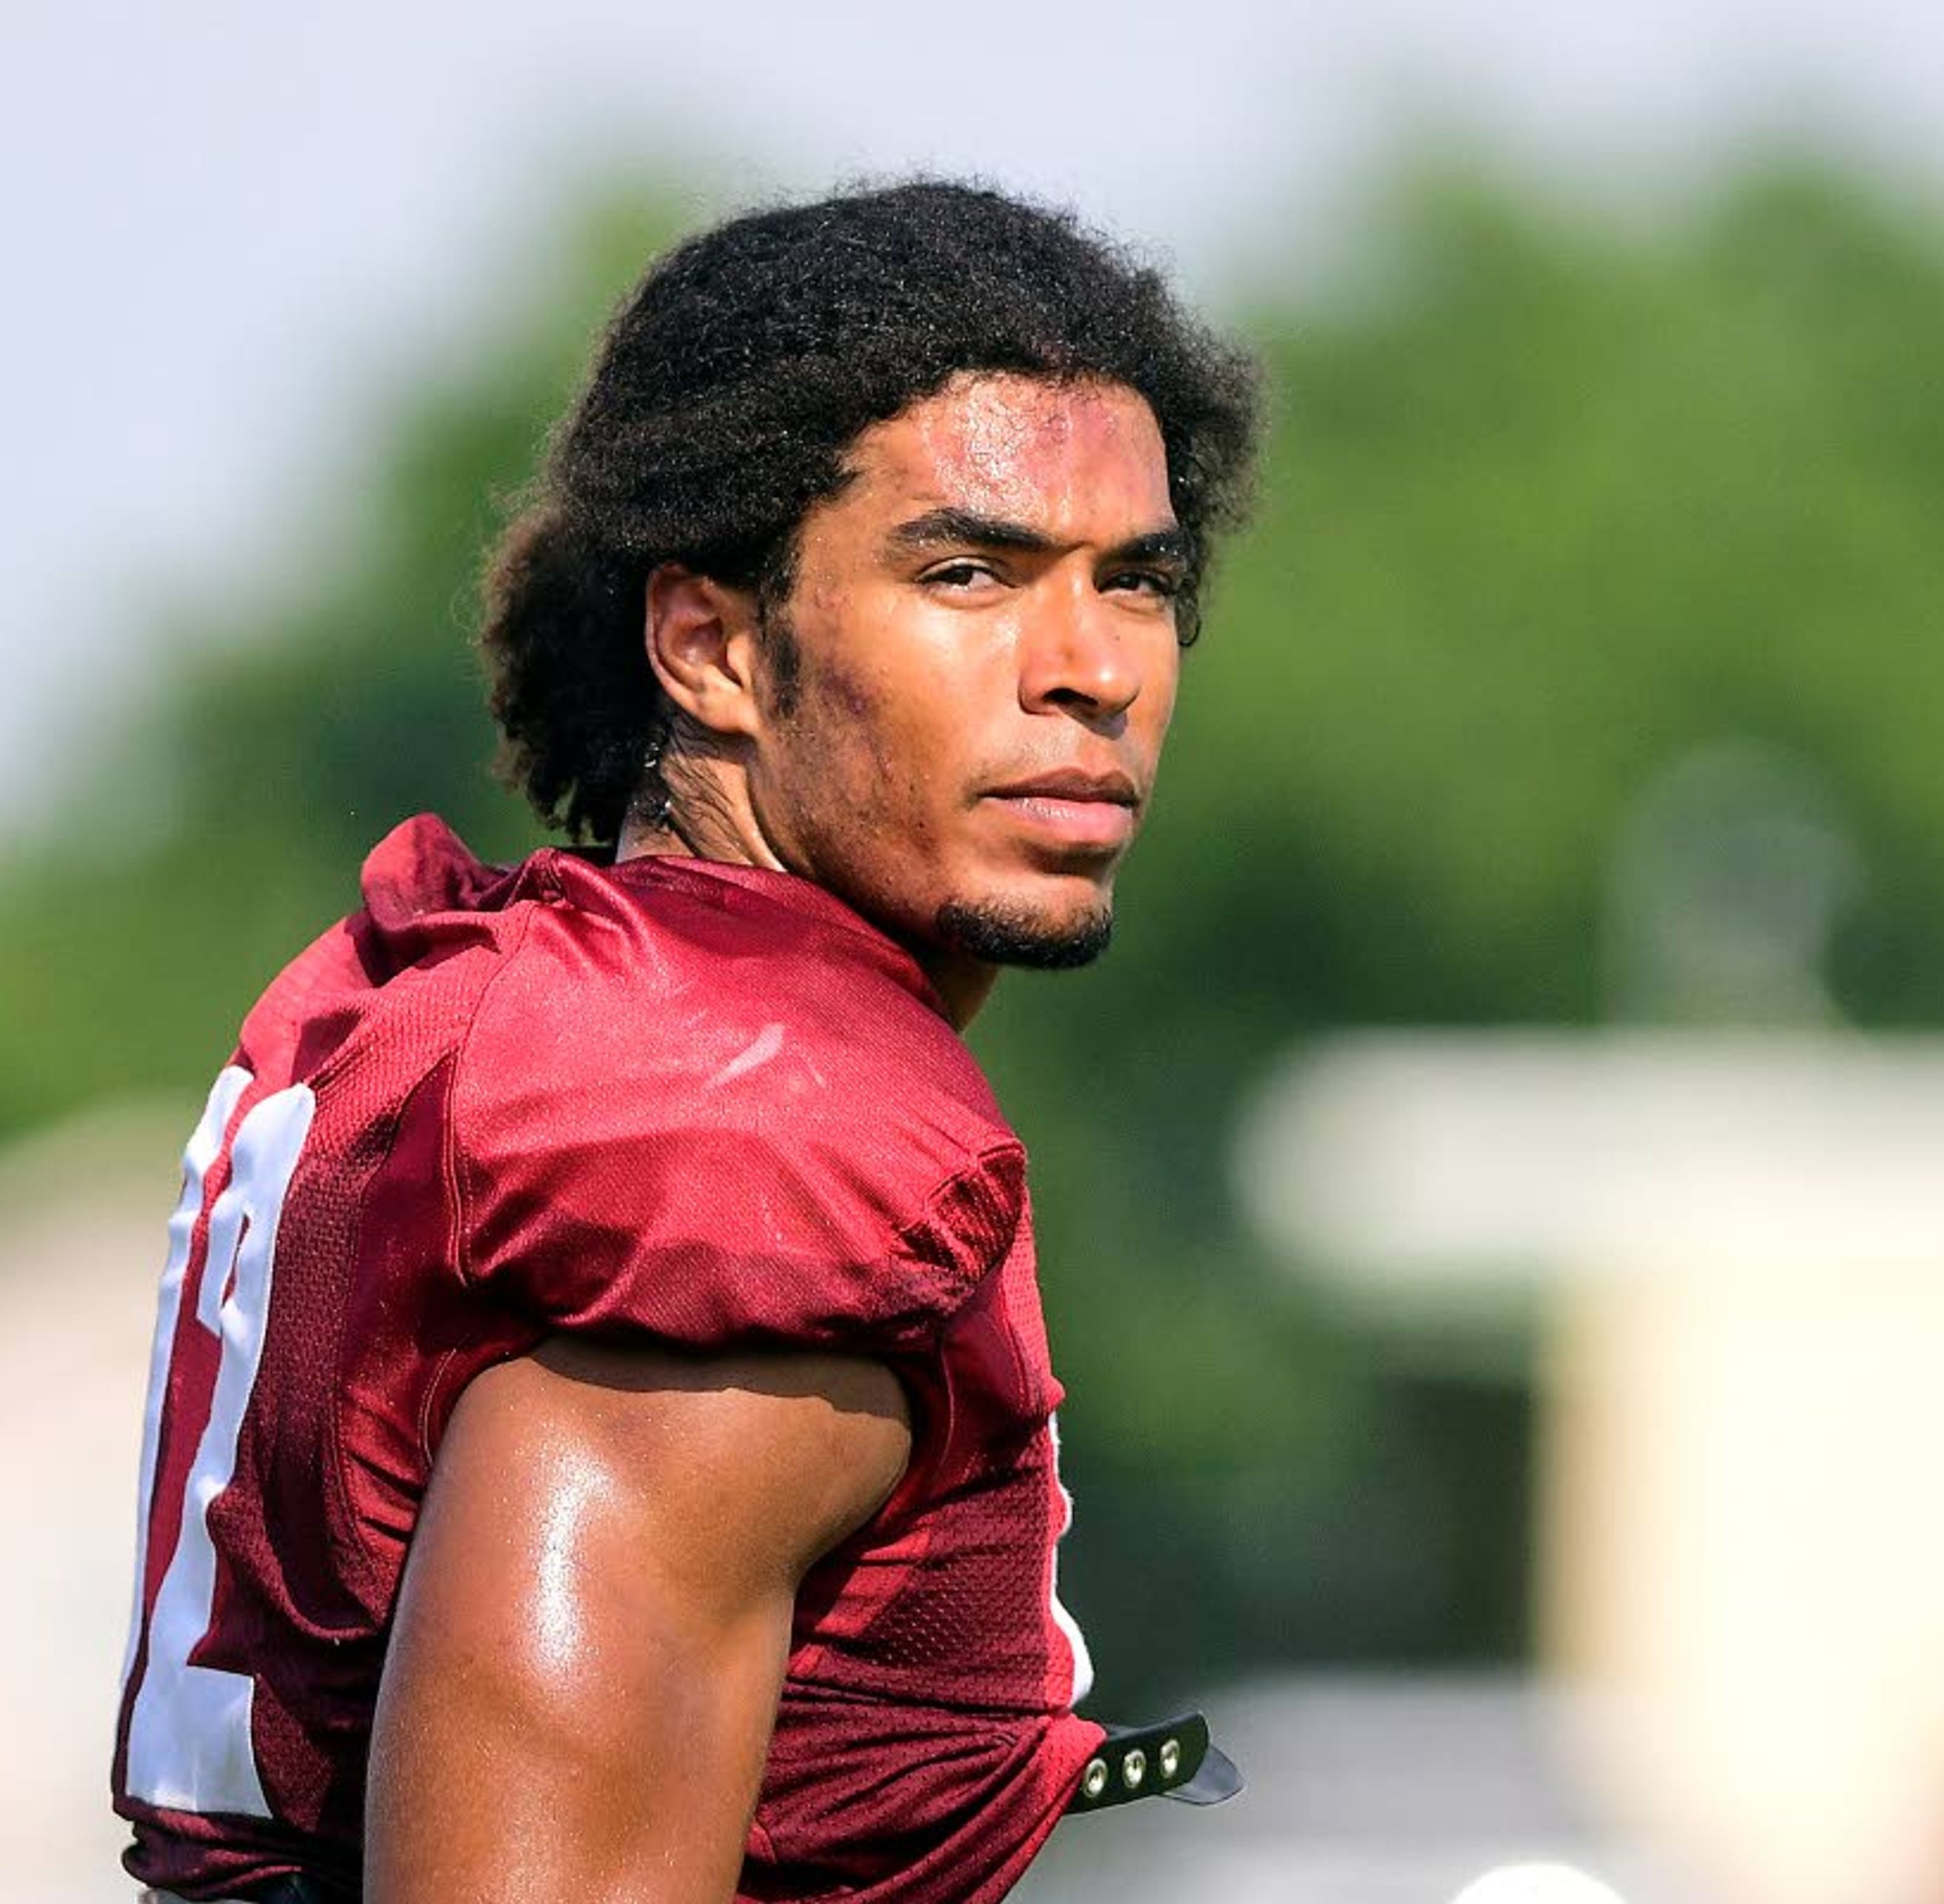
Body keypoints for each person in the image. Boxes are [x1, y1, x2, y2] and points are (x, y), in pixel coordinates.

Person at [109, 179, 1264, 1903]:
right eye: (971, 569)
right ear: (713, 645)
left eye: (1141, 580)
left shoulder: (536, 993)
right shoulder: (739, 1126)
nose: (1093, 663)